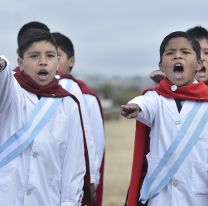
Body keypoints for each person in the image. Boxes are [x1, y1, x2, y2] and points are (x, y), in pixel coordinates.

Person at [0, 28, 86, 206]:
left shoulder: (69, 104)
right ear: (20, 62)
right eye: (33, 56)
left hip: (48, 199)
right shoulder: (12, 91)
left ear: (57, 61)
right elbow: (4, 76)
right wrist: (2, 65)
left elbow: (74, 165)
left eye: (50, 55)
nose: (43, 62)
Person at [121, 31, 208, 206]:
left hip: (197, 197)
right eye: (170, 53)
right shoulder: (156, 98)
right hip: (160, 198)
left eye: (185, 52)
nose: (177, 56)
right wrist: (135, 108)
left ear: (198, 64)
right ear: (161, 66)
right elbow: (145, 104)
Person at [52, 32, 105, 206]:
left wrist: (92, 179)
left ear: (71, 61)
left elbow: (95, 143)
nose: (50, 61)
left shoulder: (86, 97)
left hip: (75, 178)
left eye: (56, 56)